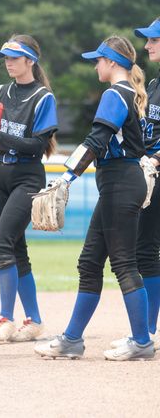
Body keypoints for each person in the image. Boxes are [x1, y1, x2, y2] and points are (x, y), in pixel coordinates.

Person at [35, 35, 155, 361]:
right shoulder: (128, 93)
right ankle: (72, 339)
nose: (95, 65)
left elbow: (96, 140)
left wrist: (66, 176)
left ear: (112, 62)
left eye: (99, 60)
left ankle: (142, 341)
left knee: (124, 264)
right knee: (89, 262)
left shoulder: (116, 93)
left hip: (120, 183)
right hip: (117, 184)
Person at [0, 35, 58, 343]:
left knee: (1, 247)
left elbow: (38, 145)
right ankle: (33, 321)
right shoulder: (2, 92)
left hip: (26, 178)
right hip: (1, 176)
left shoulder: (42, 97)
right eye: (5, 57)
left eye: (14, 57)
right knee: (17, 250)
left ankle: (5, 319)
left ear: (30, 61)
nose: (8, 61)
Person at [130, 17, 160, 346]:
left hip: (156, 171)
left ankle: (148, 330)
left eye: (154, 40)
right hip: (148, 173)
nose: (147, 46)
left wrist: (154, 159)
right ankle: (148, 327)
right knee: (144, 250)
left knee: (146, 250)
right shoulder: (153, 85)